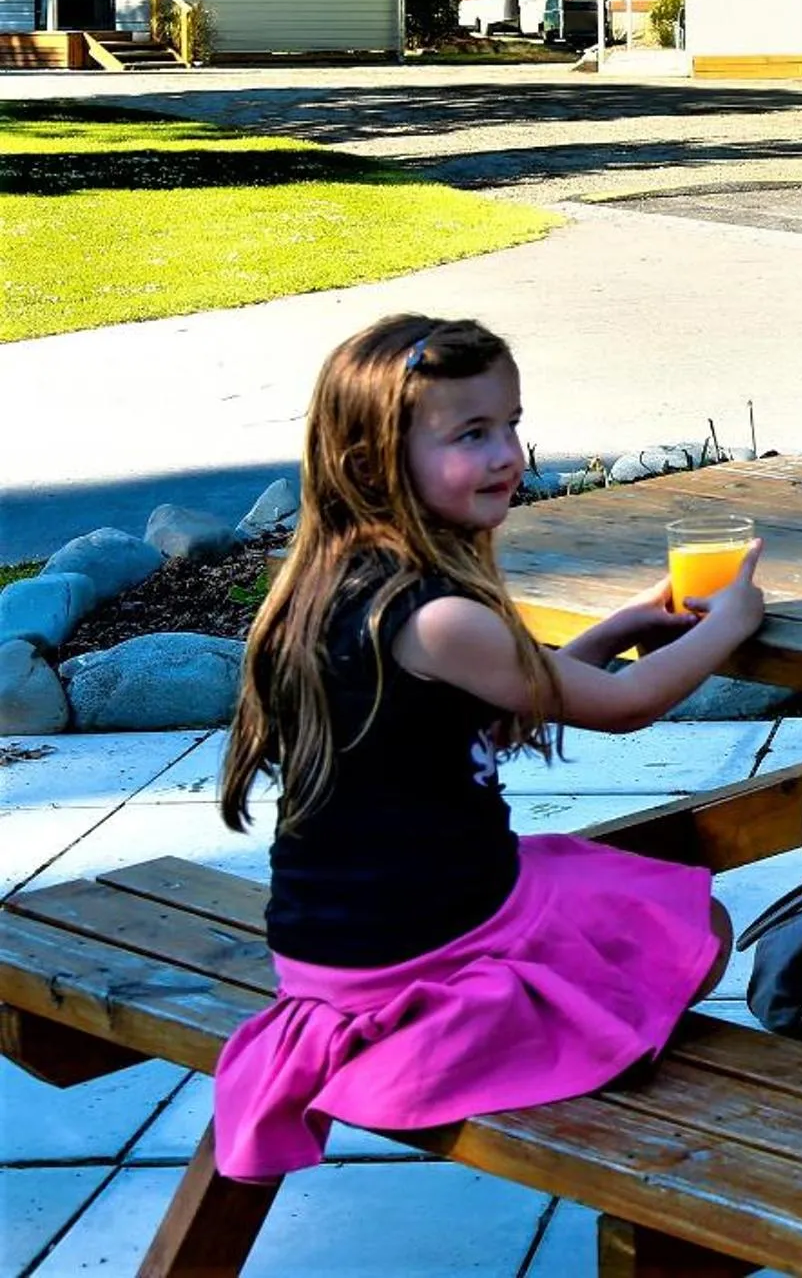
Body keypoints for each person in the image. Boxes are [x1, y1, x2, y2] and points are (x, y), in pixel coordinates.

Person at [207, 314, 770, 1183]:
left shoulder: (333, 585)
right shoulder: (439, 617)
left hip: (332, 947)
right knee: (696, 925)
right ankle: (532, 1062)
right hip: (433, 944)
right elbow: (626, 709)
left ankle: (527, 1038)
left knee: (632, 901)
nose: (507, 452)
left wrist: (617, 627)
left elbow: (492, 716)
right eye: (471, 433)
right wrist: (731, 622)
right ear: (373, 461)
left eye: (511, 423)